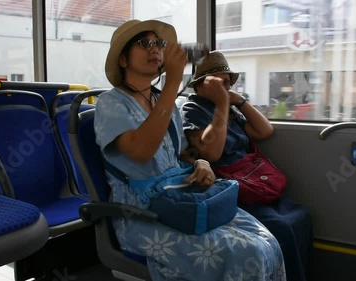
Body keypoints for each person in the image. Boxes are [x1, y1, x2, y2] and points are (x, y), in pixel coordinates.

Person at [94, 19, 286, 281]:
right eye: (144, 43)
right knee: (247, 252)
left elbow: (183, 154)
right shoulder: (111, 103)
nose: (155, 49)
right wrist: (174, 82)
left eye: (158, 44)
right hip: (142, 213)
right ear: (124, 60)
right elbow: (141, 151)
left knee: (267, 242)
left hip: (181, 196)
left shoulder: (166, 104)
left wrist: (201, 164)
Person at [180, 50, 313, 281]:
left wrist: (238, 101)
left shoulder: (228, 109)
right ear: (200, 85)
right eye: (217, 83)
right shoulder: (193, 109)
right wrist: (222, 103)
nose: (224, 88)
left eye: (227, 82)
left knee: (300, 216)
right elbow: (211, 152)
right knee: (280, 227)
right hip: (227, 185)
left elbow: (264, 130)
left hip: (251, 178)